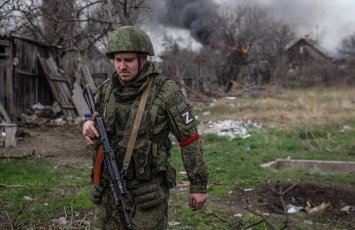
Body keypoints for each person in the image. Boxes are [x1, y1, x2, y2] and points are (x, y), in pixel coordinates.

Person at [82, 26, 208, 229]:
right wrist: (87, 123)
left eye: (128, 60)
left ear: (143, 59)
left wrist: (198, 186)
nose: (122, 66)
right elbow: (91, 112)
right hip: (107, 188)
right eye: (118, 60)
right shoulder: (106, 90)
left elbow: (190, 140)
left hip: (148, 192)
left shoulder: (166, 92)